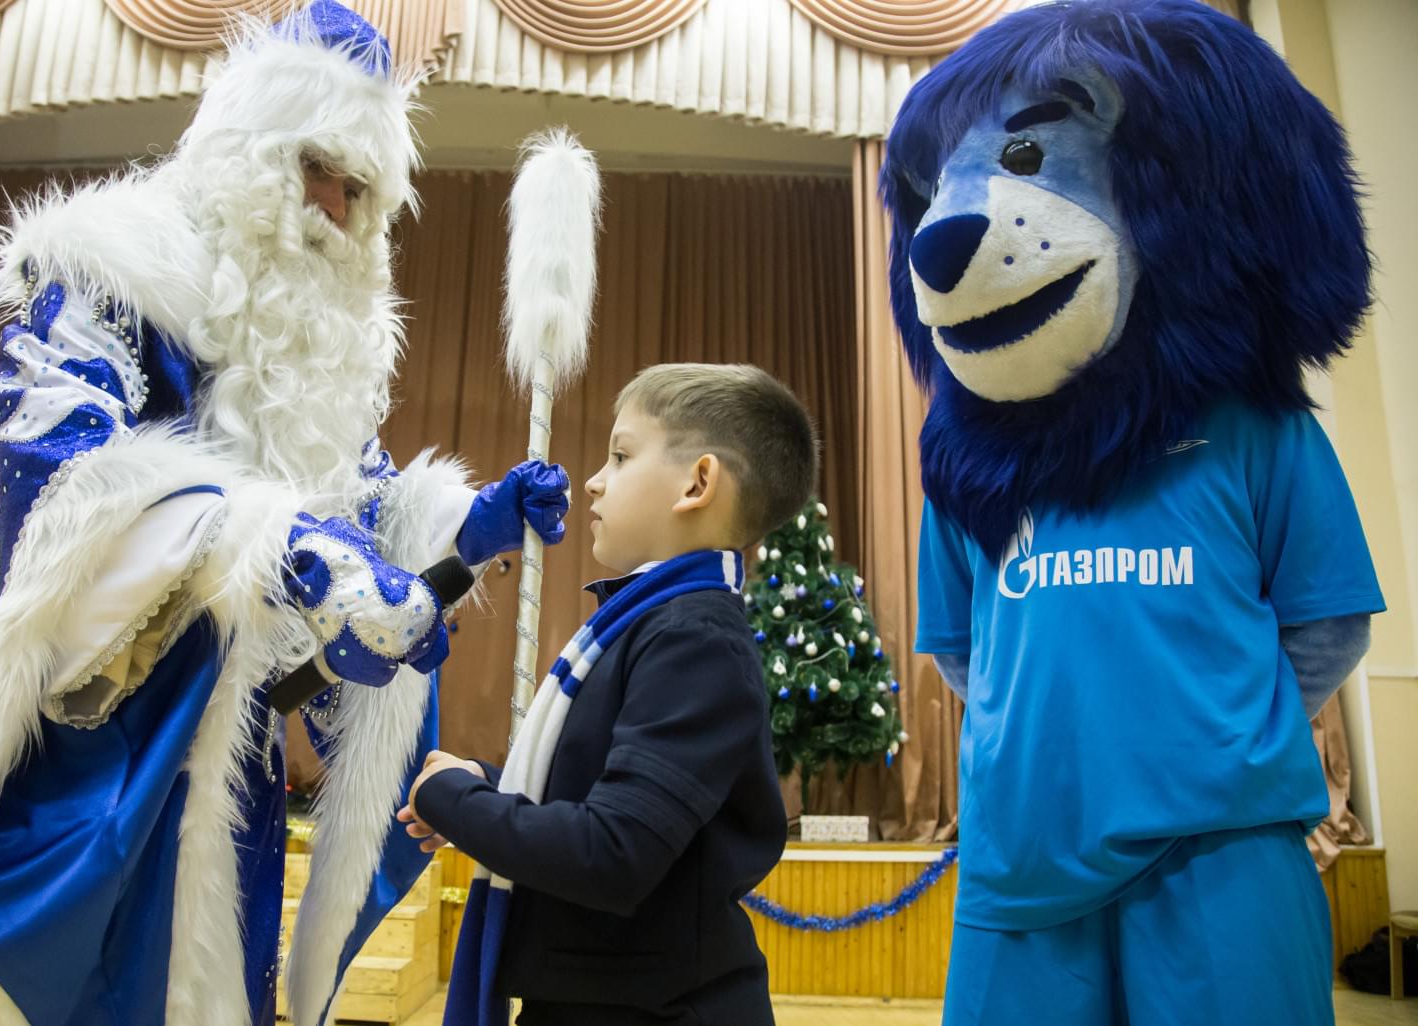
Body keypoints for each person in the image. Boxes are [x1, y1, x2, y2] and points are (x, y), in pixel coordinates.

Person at [0, 5, 568, 1025]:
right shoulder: (107, 272)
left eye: (360, 189)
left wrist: (455, 539)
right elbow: (61, 474)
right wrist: (280, 551)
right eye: (318, 170)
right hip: (92, 759)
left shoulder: (321, 364)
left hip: (229, 770)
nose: (334, 208)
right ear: (256, 149)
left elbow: (353, 527)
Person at [880, 2, 1384, 1023]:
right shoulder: (967, 465)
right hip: (1020, 855)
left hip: (1220, 852)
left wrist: (1209, 746)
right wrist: (1043, 750)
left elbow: (1324, 624)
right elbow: (962, 652)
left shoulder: (1257, 430)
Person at [400, 363, 816, 1026]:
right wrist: (492, 784)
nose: (593, 479)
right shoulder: (651, 624)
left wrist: (458, 801)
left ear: (698, 482)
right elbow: (604, 800)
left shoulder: (694, 639)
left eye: (620, 456)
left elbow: (613, 853)